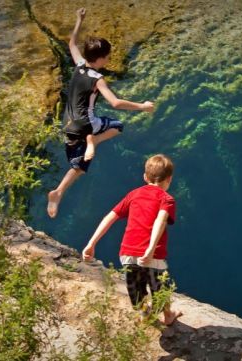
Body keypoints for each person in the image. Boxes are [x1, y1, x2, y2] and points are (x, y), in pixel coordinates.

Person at [47, 8, 155, 218]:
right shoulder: (98, 79)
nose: (108, 60)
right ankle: (92, 142)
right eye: (107, 57)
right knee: (117, 127)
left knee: (77, 164)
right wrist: (142, 106)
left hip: (68, 124)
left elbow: (71, 44)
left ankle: (59, 191)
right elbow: (115, 103)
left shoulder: (79, 65)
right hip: (87, 124)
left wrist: (79, 20)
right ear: (100, 58)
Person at [82, 154, 182, 325]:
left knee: (136, 290)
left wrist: (91, 243)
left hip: (127, 252)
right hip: (153, 256)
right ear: (169, 179)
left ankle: (144, 315)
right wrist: (150, 249)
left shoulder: (134, 194)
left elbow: (110, 217)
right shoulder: (167, 199)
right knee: (160, 286)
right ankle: (167, 315)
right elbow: (160, 220)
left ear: (145, 177)